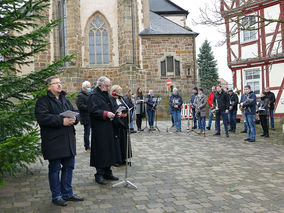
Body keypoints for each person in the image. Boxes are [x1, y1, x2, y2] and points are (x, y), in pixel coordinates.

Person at [35, 76, 84, 206]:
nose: (59, 85)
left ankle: (67, 193)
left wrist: (75, 119)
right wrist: (61, 121)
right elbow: (43, 118)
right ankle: (56, 196)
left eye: (60, 82)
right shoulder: (43, 101)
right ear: (48, 86)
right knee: (55, 169)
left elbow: (75, 112)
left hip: (68, 140)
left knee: (69, 167)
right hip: (54, 141)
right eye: (56, 83)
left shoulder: (65, 99)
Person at [88, 76, 120, 185]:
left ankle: (108, 172)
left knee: (109, 149)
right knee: (101, 151)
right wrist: (105, 114)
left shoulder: (107, 95)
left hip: (109, 127)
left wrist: (117, 112)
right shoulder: (93, 96)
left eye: (109, 85)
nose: (109, 88)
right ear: (100, 85)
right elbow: (93, 111)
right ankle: (99, 174)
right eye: (107, 86)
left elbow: (113, 107)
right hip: (100, 127)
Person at [110, 85, 132, 166]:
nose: (119, 94)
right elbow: (112, 110)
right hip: (116, 123)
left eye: (120, 92)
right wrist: (120, 115)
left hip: (123, 123)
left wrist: (125, 112)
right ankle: (116, 160)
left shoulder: (121, 99)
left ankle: (123, 158)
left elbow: (126, 107)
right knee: (117, 142)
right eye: (118, 92)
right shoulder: (111, 100)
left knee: (124, 141)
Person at [76, 81, 92, 152]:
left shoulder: (89, 94)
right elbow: (80, 106)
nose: (89, 88)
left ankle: (92, 145)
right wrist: (89, 107)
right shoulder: (80, 95)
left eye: (90, 87)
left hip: (91, 117)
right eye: (88, 87)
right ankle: (87, 147)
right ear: (84, 88)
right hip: (85, 117)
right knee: (87, 132)